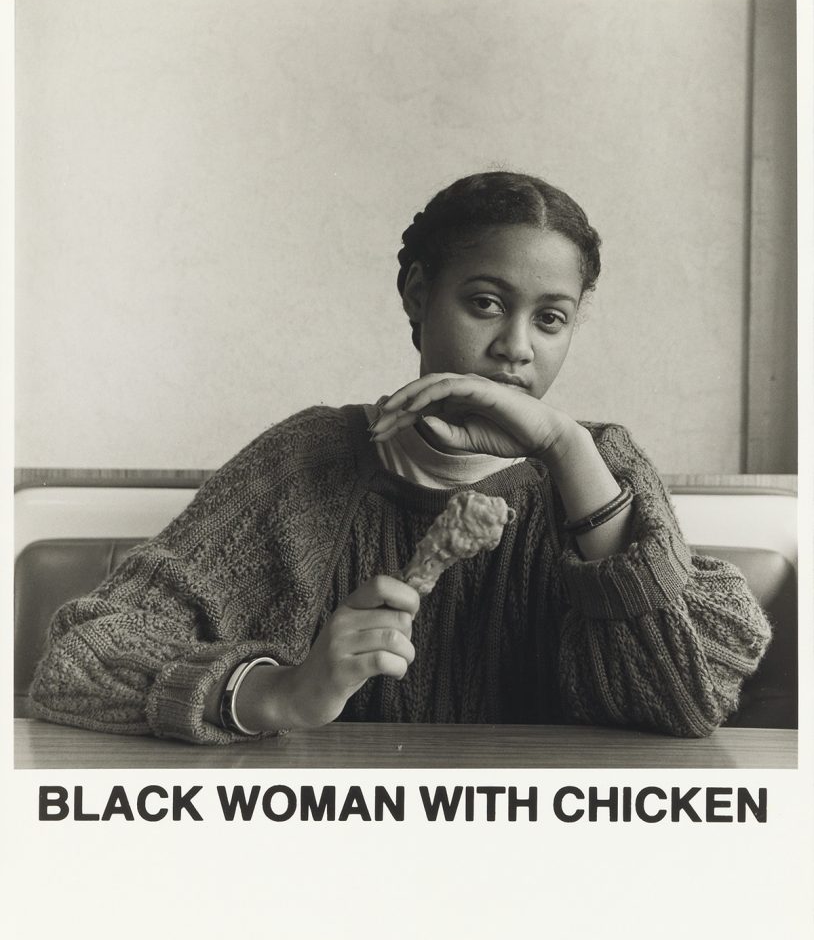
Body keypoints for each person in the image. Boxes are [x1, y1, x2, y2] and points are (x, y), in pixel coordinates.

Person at [29, 171, 772, 744]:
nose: (517, 347)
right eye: (485, 303)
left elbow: (684, 700)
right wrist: (279, 693)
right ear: (419, 295)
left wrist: (563, 446)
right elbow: (79, 662)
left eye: (551, 320)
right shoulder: (306, 463)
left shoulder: (600, 468)